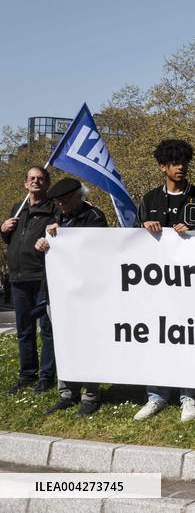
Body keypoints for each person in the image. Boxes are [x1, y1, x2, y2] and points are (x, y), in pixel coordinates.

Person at [134, 139, 195, 422]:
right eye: (174, 163)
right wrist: (144, 227)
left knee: (191, 339)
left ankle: (190, 395)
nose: (180, 167)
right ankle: (156, 395)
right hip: (156, 286)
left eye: (184, 162)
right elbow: (130, 243)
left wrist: (194, 232)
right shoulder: (148, 200)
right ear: (163, 167)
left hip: (193, 286)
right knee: (157, 338)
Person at [33, 178, 107, 416]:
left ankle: (90, 394)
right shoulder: (55, 218)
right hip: (58, 294)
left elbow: (95, 248)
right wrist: (43, 243)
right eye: (58, 202)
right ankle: (67, 392)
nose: (62, 205)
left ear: (79, 196)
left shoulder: (95, 217)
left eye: (65, 200)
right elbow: (45, 252)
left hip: (86, 294)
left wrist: (65, 234)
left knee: (87, 344)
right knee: (63, 343)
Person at [1, 166, 57, 393]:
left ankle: (46, 377)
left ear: (47, 184)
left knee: (46, 329)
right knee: (24, 329)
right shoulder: (18, 208)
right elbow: (12, 241)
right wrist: (3, 229)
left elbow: (63, 236)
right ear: (25, 184)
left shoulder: (54, 209)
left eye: (40, 179)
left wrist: (53, 234)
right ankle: (27, 375)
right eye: (32, 179)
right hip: (18, 278)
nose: (36, 182)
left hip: (42, 277)